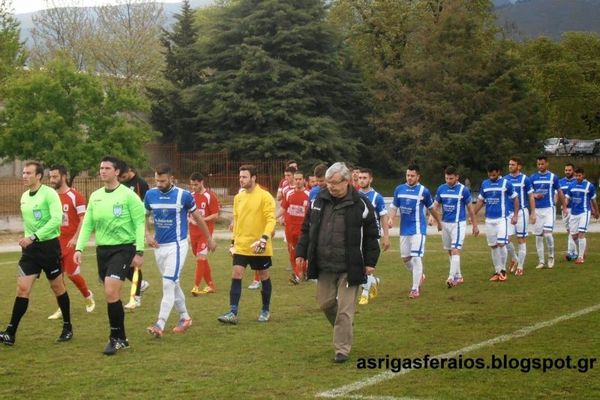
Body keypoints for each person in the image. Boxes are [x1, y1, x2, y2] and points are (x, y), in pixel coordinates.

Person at [295, 162, 380, 363]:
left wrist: (370, 262)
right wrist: (301, 251)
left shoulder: (362, 204)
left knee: (344, 308)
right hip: (324, 264)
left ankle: (342, 349)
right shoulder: (319, 200)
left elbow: (371, 235)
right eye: (328, 183)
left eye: (335, 183)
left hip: (351, 266)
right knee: (325, 303)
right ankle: (345, 328)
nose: (331, 187)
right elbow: (307, 228)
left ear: (347, 181)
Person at [74, 156, 145, 355]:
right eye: (101, 167)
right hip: (102, 251)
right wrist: (79, 249)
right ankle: (122, 338)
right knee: (111, 294)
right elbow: (88, 224)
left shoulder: (129, 196)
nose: (102, 171)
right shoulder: (96, 196)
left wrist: (139, 251)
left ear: (116, 172)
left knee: (111, 291)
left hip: (123, 249)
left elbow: (140, 224)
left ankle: (115, 338)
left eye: (107, 168)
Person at [0, 161, 73, 346]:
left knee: (57, 288)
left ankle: (67, 326)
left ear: (39, 176)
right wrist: (28, 240)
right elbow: (29, 224)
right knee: (22, 289)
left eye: (28, 173)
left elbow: (56, 220)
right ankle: (10, 332)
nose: (24, 176)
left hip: (49, 248)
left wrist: (33, 237)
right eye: (23, 172)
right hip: (30, 251)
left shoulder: (49, 194)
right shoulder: (24, 196)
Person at [145, 165, 217, 338]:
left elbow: (198, 218)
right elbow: (143, 217)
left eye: (162, 181)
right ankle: (185, 317)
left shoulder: (183, 196)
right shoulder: (150, 195)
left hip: (177, 246)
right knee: (173, 283)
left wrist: (209, 238)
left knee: (168, 283)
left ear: (171, 179)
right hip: (159, 247)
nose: (159, 184)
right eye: (157, 180)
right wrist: (147, 234)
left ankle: (159, 323)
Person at [217, 165, 276, 324]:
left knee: (264, 276)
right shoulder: (238, 197)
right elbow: (236, 220)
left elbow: (271, 219)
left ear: (253, 178)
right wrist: (233, 243)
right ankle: (233, 312)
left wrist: (264, 238)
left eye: (244, 177)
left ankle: (265, 310)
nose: (241, 179)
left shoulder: (265, 197)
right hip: (242, 246)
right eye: (240, 177)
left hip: (259, 246)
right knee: (236, 274)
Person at [46, 165, 95, 320]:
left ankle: (87, 295)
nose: (52, 180)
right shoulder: (50, 197)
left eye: (55, 177)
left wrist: (76, 238)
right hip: (54, 242)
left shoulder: (76, 196)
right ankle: (61, 306)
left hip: (71, 242)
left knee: (73, 274)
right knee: (57, 277)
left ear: (64, 177)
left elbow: (84, 220)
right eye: (50, 177)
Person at [388, 164, 442, 299]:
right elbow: (394, 207)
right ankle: (420, 276)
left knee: (416, 257)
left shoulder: (424, 191)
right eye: (408, 175)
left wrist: (439, 221)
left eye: (412, 176)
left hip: (418, 229)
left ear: (418, 176)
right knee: (405, 258)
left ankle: (415, 288)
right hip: (404, 229)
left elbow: (431, 208)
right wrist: (391, 219)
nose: (409, 178)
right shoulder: (399, 189)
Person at [430, 166, 479, 287]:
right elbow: (435, 204)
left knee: (455, 249)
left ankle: (451, 277)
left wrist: (475, 225)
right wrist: (432, 217)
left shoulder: (463, 190)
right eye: (446, 178)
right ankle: (459, 276)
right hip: (445, 223)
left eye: (451, 178)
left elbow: (470, 209)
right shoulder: (441, 188)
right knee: (450, 251)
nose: (448, 180)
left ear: (457, 177)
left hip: (458, 224)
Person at [472, 163, 519, 282]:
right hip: (489, 220)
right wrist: (473, 214)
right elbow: (481, 201)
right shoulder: (485, 184)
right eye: (489, 174)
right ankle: (497, 271)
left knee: (502, 244)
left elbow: (515, 198)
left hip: (502, 219)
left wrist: (516, 215)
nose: (491, 176)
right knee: (493, 246)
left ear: (498, 172)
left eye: (493, 174)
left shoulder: (506, 183)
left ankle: (503, 271)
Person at [118, 164, 150, 309]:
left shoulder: (140, 184)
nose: (121, 179)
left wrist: (144, 229)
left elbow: (145, 206)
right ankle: (141, 285)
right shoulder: (122, 185)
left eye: (123, 176)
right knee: (120, 263)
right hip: (123, 228)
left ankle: (136, 297)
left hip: (135, 228)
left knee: (133, 262)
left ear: (130, 171)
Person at [356, 167, 390, 304]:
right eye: (360, 178)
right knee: (359, 267)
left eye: (364, 178)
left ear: (370, 179)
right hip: (358, 236)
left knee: (369, 268)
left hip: (372, 236)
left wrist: (386, 237)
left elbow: (383, 217)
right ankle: (374, 281)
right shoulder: (355, 195)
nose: (362, 180)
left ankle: (364, 293)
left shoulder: (377, 197)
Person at [530, 156, 568, 269]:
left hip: (548, 209)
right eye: (538, 164)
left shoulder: (553, 177)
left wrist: (564, 207)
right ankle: (541, 261)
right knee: (538, 236)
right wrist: (535, 196)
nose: (540, 166)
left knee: (547, 234)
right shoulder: (532, 177)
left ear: (547, 164)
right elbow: (530, 194)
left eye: (542, 164)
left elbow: (560, 192)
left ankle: (551, 256)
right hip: (537, 209)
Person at [189, 172, 220, 295]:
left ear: (201, 182)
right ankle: (211, 285)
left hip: (205, 232)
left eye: (196, 184)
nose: (193, 187)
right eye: (192, 185)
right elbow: (187, 213)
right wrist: (190, 219)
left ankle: (196, 286)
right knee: (201, 259)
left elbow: (215, 215)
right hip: (193, 232)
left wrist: (202, 220)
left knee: (201, 257)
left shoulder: (210, 196)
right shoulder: (190, 196)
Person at [504, 157, 536, 276]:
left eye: (513, 164)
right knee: (505, 240)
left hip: (522, 212)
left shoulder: (525, 179)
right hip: (508, 213)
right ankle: (515, 258)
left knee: (521, 239)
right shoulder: (505, 179)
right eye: (509, 164)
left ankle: (520, 266)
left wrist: (533, 212)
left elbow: (531, 196)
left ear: (519, 166)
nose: (510, 166)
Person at [278, 170, 310, 284]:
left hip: (303, 229)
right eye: (296, 179)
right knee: (292, 251)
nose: (297, 181)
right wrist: (273, 217)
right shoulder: (288, 193)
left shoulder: (309, 194)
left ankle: (299, 274)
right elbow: (283, 208)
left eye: (300, 179)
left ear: (304, 180)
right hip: (290, 228)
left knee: (302, 251)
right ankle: (298, 272)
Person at [564, 167, 599, 264]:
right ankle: (582, 251)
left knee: (581, 234)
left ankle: (580, 257)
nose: (578, 177)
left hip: (584, 212)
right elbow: (567, 197)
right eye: (576, 176)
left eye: (579, 176)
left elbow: (593, 200)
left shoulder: (589, 186)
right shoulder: (571, 185)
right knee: (574, 236)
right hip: (574, 213)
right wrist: (565, 206)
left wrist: (596, 211)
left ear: (583, 175)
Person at [559, 163, 577, 261]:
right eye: (566, 170)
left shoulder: (577, 181)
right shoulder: (560, 182)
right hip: (564, 209)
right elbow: (557, 194)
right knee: (570, 231)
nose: (567, 172)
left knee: (572, 231)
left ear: (573, 170)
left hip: (575, 210)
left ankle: (571, 252)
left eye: (569, 170)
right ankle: (575, 252)